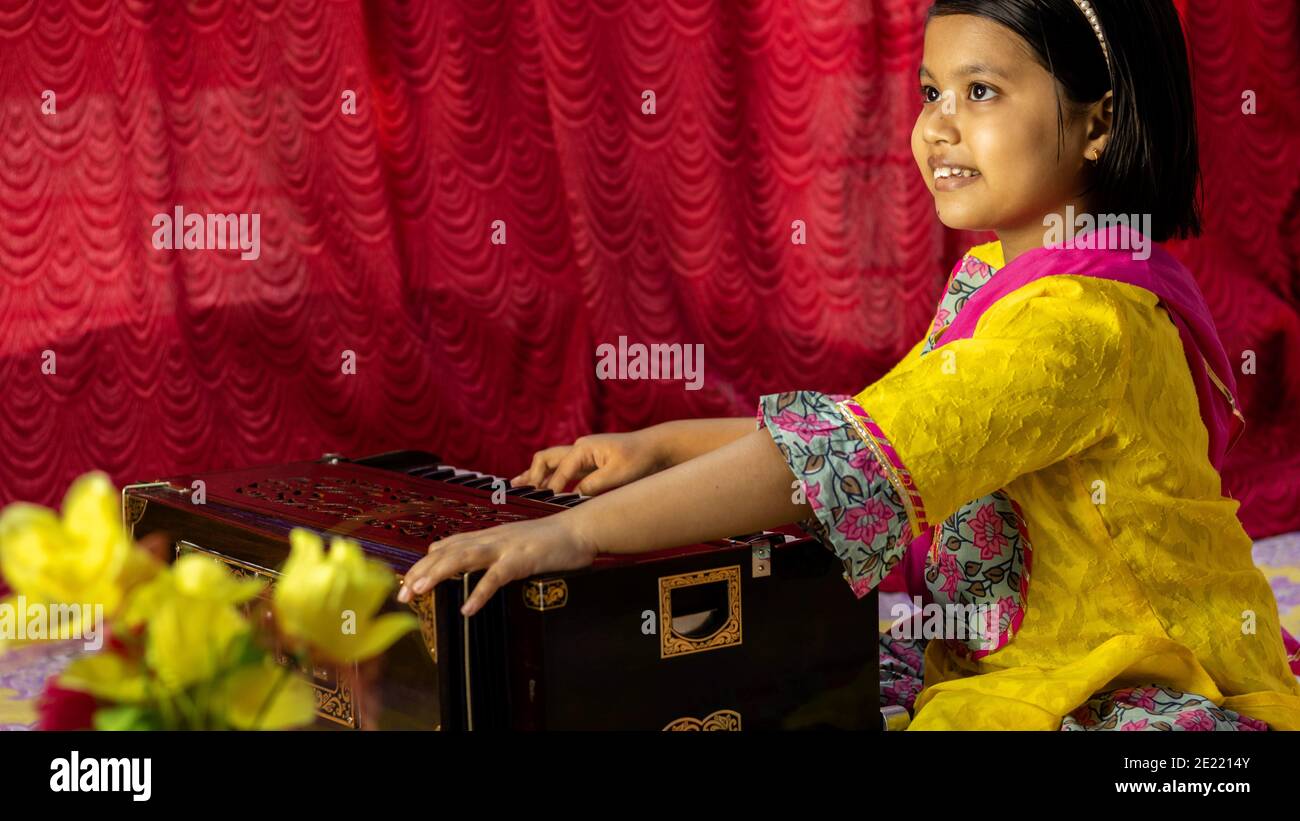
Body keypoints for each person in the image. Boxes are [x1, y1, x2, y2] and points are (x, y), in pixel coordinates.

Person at [398, 0, 1300, 730]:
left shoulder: (1078, 321)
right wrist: (665, 446)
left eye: (981, 92)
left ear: (1098, 121)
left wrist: (576, 535)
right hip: (1014, 647)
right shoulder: (1001, 274)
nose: (938, 127)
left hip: (1130, 671)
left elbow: (853, 462)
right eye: (930, 91)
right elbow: (884, 424)